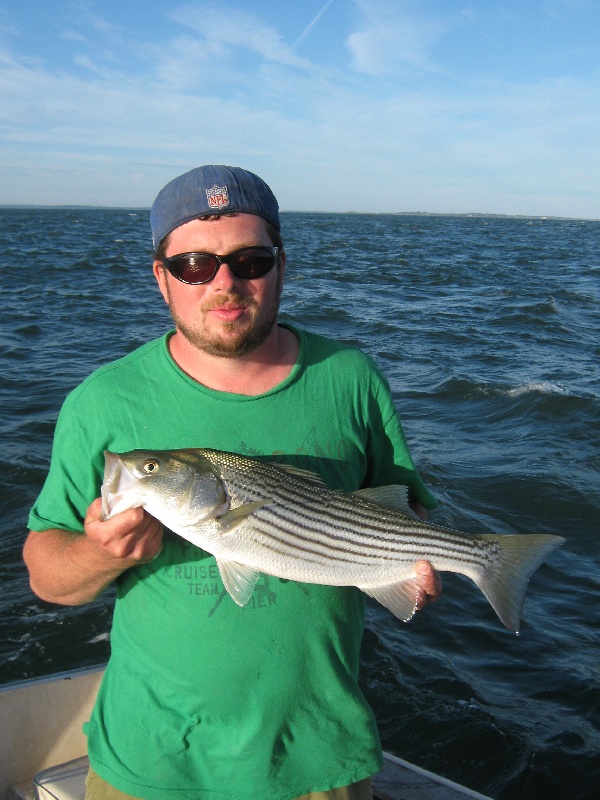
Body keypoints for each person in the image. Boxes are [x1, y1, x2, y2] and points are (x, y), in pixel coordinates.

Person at [24, 165, 441, 800]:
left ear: (281, 265)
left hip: (316, 759)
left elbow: (402, 507)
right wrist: (94, 554)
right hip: (150, 763)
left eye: (250, 259)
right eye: (194, 263)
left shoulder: (351, 377)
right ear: (161, 277)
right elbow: (47, 577)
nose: (225, 282)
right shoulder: (102, 402)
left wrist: (416, 561)